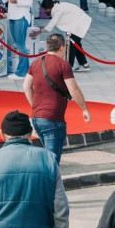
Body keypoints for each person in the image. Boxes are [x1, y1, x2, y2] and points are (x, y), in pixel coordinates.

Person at [23, 33, 91, 163]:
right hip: (53, 118)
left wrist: (35, 105)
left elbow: (26, 86)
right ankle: (50, 182)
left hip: (37, 117)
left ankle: (47, 180)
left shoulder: (36, 62)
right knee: (52, 161)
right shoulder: (63, 65)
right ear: (61, 47)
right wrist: (84, 108)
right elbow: (73, 89)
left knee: (47, 157)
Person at [33, 0, 92, 71]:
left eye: (44, 10)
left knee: (71, 45)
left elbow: (50, 26)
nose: (44, 12)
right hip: (78, 22)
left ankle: (68, 67)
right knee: (76, 44)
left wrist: (38, 32)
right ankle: (84, 64)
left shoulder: (57, 10)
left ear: (48, 9)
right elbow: (53, 22)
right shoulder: (56, 6)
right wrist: (44, 26)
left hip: (79, 23)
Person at [2, 0, 34, 79]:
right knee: (19, 43)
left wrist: (17, 1)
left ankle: (21, 72)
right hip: (12, 17)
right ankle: (25, 71)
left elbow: (29, 3)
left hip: (22, 17)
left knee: (21, 44)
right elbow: (3, 0)